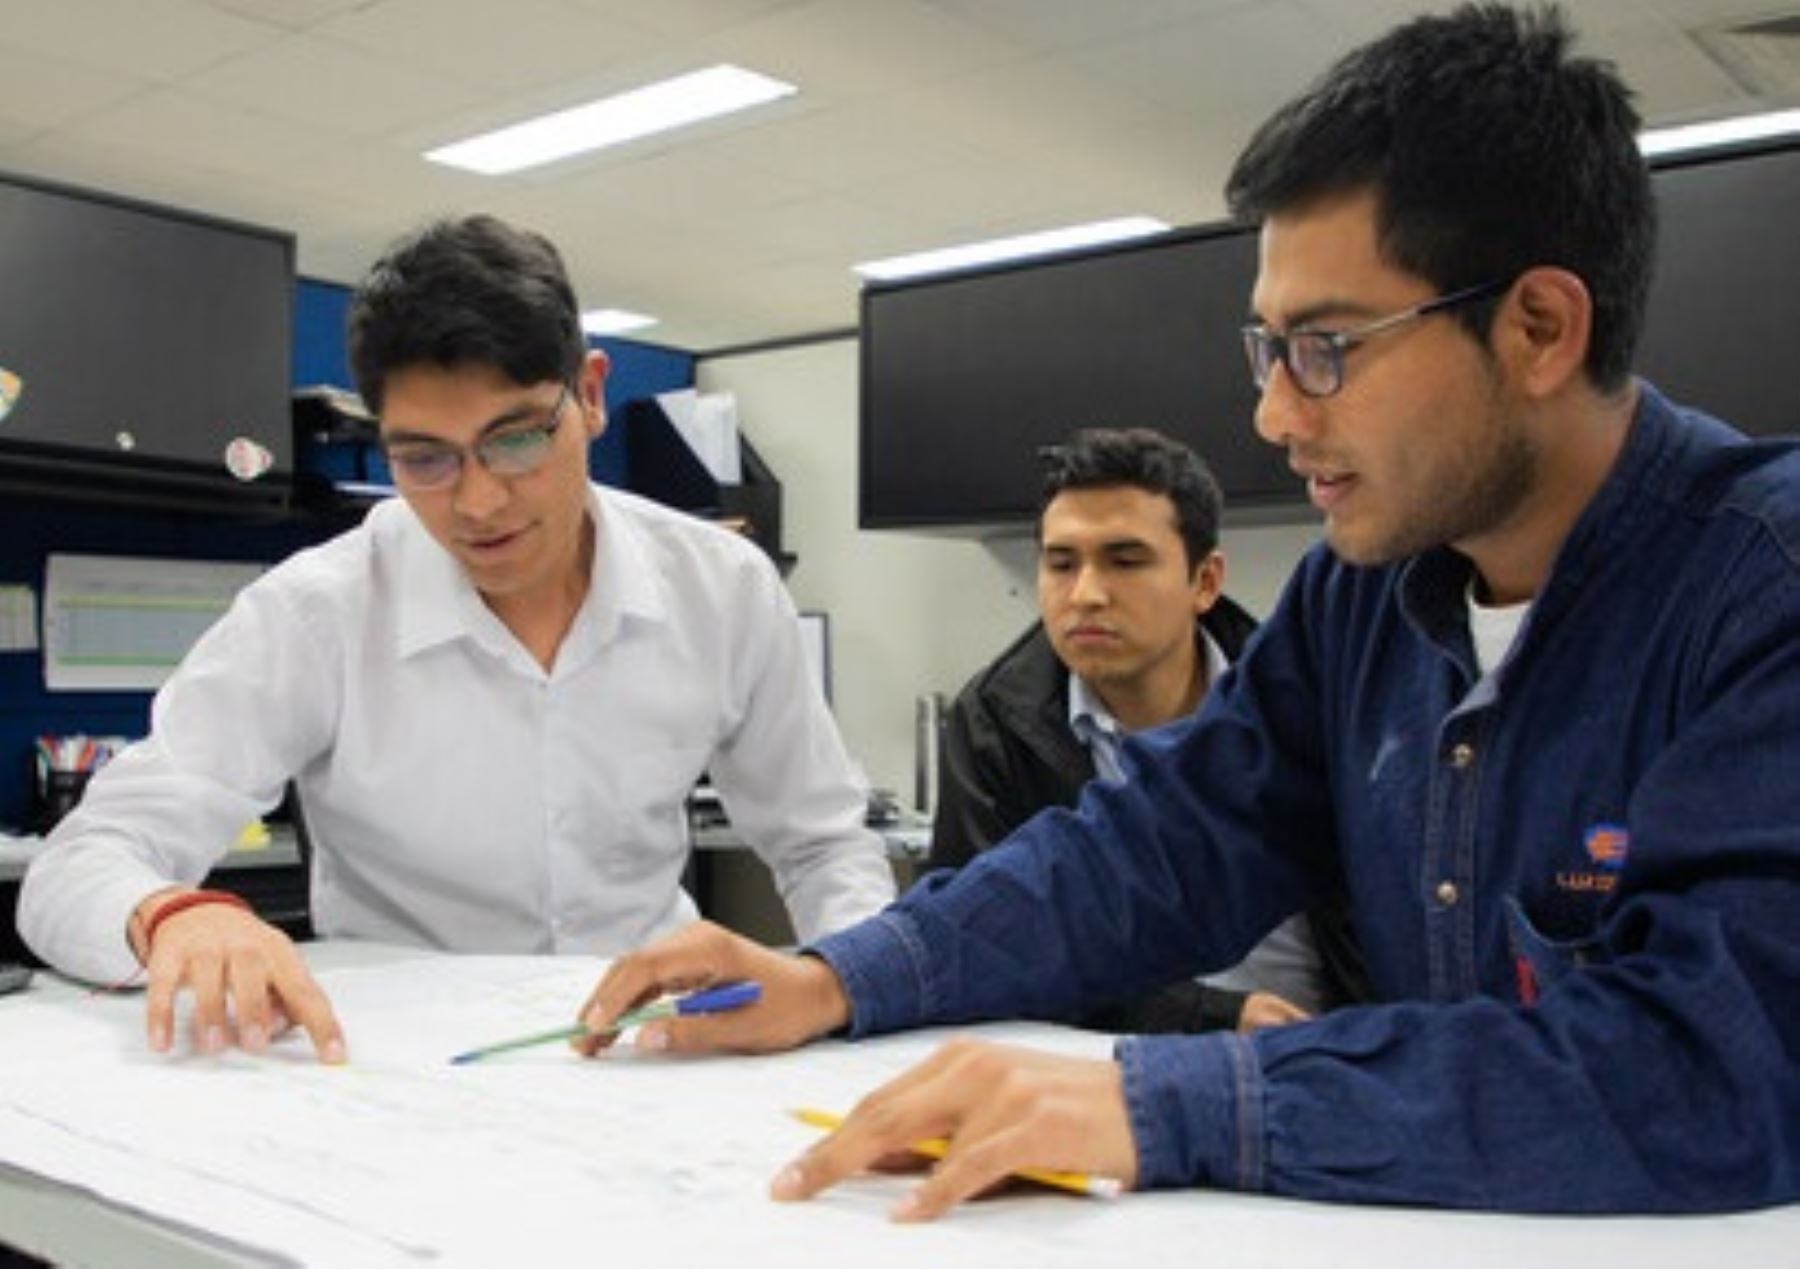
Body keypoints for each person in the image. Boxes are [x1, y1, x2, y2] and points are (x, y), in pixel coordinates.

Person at [576, 3, 1800, 1218]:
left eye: (1327, 348)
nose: (1275, 416)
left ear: (1538, 327)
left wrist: (1166, 1102)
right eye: (1264, 351)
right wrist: (836, 975)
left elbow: (1705, 1071)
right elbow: (1156, 848)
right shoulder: (1362, 593)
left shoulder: (1763, 590)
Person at [18, 214, 895, 1060]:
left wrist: (840, 989)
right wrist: (172, 912)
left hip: (649, 1048)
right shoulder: (316, 612)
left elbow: (823, 842)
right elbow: (80, 864)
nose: (476, 502)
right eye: (424, 458)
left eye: (514, 440)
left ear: (590, 395)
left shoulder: (723, 588)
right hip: (402, 1068)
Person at [928, 426, 1359, 1032]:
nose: (1087, 594)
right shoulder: (995, 722)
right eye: (1061, 564)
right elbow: (990, 955)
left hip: (1325, 1055)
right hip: (1111, 1063)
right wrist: (1213, 1017)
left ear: (1204, 582)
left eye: (1125, 561)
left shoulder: (1306, 701)